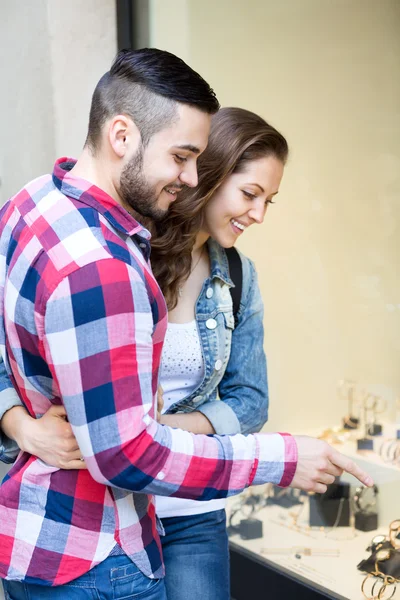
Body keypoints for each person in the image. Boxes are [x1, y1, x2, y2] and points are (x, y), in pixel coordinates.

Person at [0, 48, 372, 599]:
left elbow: (246, 401)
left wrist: (158, 421)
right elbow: (129, 455)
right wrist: (21, 425)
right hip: (98, 543)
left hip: (113, 524)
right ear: (122, 135)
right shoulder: (110, 264)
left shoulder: (32, 204)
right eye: (182, 157)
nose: (190, 176)